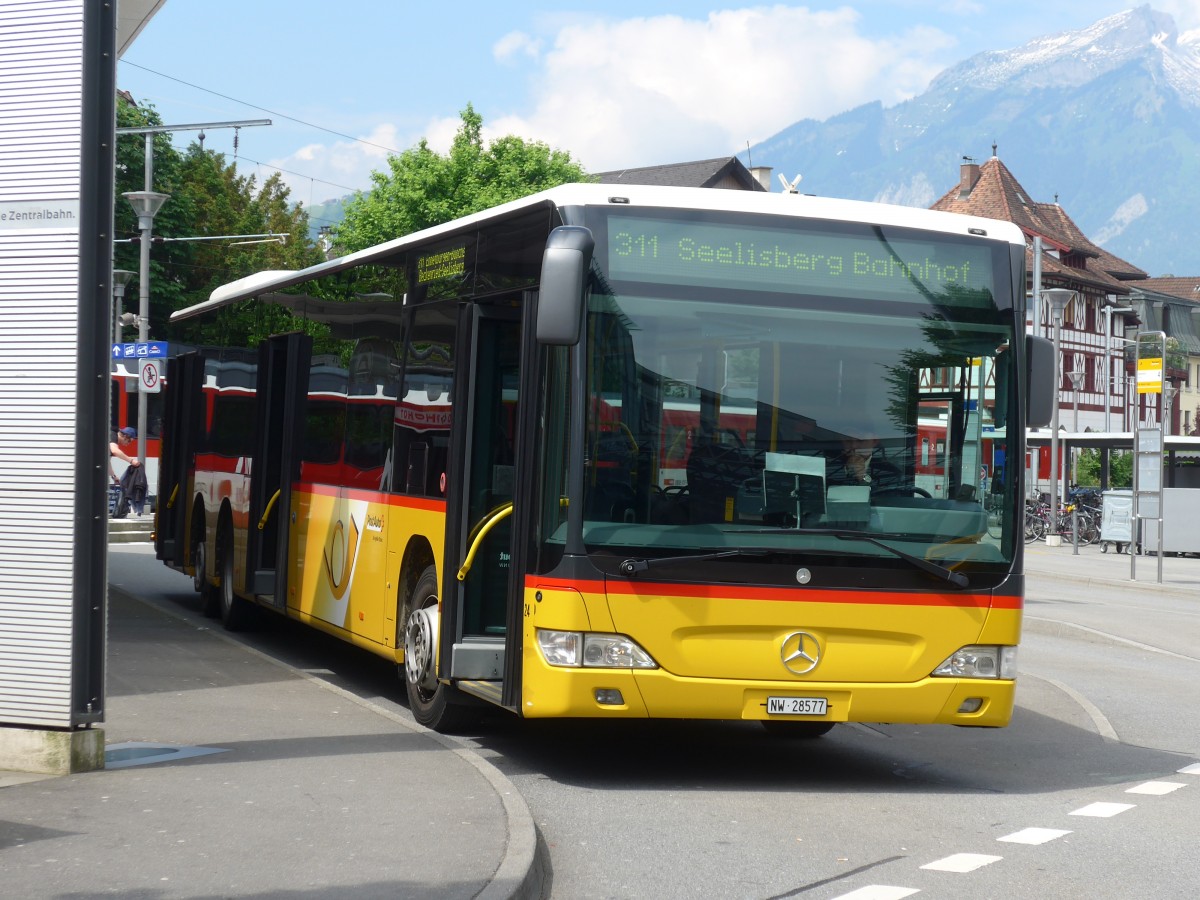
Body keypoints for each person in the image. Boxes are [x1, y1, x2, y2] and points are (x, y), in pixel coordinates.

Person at [109, 426, 146, 516]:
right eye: (129, 441)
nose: (129, 444)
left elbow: (105, 461)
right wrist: (131, 460)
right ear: (125, 436)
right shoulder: (113, 436)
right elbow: (115, 451)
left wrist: (113, 476)